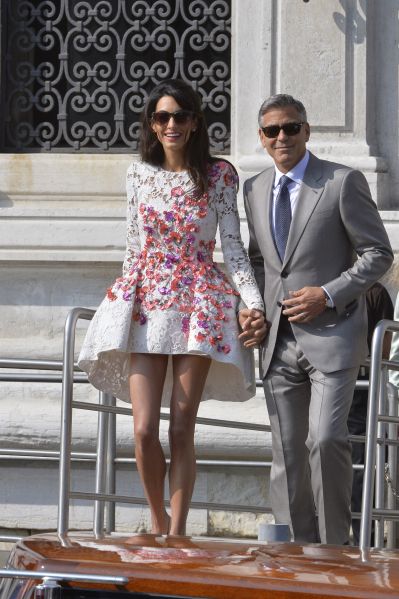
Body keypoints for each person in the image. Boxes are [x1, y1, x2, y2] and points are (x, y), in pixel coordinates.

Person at [78, 79, 265, 536]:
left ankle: (178, 534)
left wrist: (254, 304)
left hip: (200, 301)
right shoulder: (138, 173)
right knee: (143, 430)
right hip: (147, 301)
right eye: (162, 117)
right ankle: (158, 521)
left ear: (196, 121)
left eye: (180, 116)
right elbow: (132, 247)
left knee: (182, 427)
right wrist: (120, 302)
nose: (171, 124)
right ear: (152, 124)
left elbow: (234, 249)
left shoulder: (220, 174)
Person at [240, 93, 393, 545]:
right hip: (276, 341)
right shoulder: (253, 189)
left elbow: (378, 254)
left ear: (307, 131)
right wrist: (249, 310)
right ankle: (297, 558)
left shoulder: (342, 182)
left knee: (325, 441)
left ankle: (334, 552)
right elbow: (257, 263)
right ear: (262, 139)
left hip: (336, 335)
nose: (282, 137)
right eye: (272, 130)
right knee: (287, 454)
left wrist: (327, 294)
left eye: (291, 127)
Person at [348, 282, 393, 545]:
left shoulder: (373, 293)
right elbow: (385, 350)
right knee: (361, 466)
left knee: (357, 466)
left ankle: (359, 535)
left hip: (352, 387)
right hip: (363, 387)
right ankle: (365, 536)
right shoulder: (375, 291)